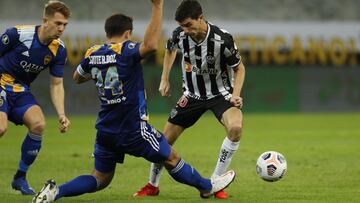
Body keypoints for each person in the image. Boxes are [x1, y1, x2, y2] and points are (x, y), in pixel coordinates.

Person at [32, 0, 235, 202]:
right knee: (171, 158)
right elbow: (152, 45)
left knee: (100, 178)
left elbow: (77, 78)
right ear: (128, 33)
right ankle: (207, 186)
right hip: (133, 128)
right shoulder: (127, 50)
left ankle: (56, 192)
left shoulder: (92, 53)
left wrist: (102, 70)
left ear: (107, 32)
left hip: (106, 129)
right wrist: (157, 6)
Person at [133, 0, 245, 199]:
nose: (184, 30)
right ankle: (153, 185)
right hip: (191, 95)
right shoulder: (179, 35)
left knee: (235, 128)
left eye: (188, 25)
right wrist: (164, 78)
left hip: (221, 94)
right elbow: (169, 50)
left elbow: (239, 68)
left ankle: (216, 182)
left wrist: (235, 94)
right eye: (181, 26)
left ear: (200, 18)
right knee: (162, 143)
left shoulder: (222, 38)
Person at [0, 0, 71, 195]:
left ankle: (19, 178)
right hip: (0, 83)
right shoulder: (17, 34)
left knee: (38, 125)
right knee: (1, 127)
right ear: (45, 20)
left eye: (64, 24)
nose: (61, 28)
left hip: (20, 90)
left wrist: (62, 114)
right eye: (58, 23)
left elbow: (56, 84)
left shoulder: (59, 49)